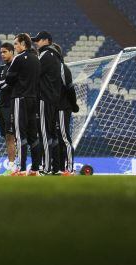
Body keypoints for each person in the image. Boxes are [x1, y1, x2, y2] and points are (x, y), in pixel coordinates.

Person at [5, 33, 41, 175]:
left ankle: (20, 168)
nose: (15, 47)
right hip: (34, 99)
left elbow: (9, 79)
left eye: (16, 44)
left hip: (20, 98)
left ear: (23, 44)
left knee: (20, 134)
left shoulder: (18, 58)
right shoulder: (37, 59)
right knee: (34, 135)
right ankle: (35, 169)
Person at [33, 31, 62, 174]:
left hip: (45, 98)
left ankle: (46, 167)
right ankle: (56, 167)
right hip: (55, 99)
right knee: (53, 135)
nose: (36, 43)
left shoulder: (45, 55)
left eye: (38, 40)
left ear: (46, 40)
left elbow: (35, 74)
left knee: (44, 133)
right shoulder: (57, 56)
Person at [52, 43, 78, 175]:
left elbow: (70, 88)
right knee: (56, 138)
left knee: (64, 137)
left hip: (62, 107)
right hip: (53, 108)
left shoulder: (63, 69)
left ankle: (69, 168)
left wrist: (74, 105)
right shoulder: (49, 69)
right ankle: (58, 168)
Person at [0, 42, 16, 175]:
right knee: (7, 136)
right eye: (1, 52)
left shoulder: (16, 66)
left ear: (12, 52)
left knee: (12, 136)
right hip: (2, 105)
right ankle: (12, 165)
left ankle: (14, 166)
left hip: (13, 105)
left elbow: (6, 84)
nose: (2, 54)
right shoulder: (1, 69)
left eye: (5, 52)